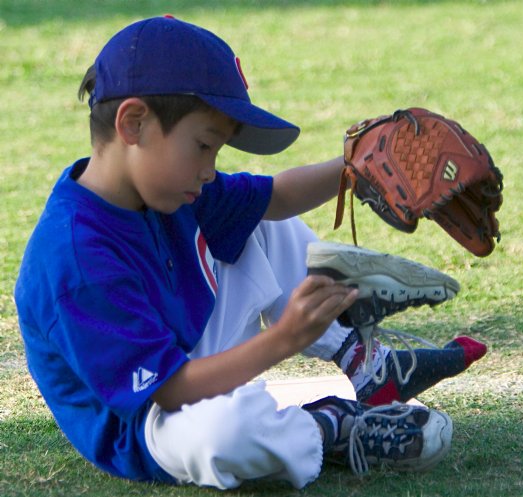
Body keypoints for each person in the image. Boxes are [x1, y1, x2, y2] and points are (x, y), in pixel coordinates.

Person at [14, 16, 487, 490]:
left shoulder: (164, 187)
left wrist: (352, 168)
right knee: (225, 433)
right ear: (133, 123)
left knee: (257, 222)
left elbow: (276, 196)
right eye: (203, 146)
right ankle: (330, 427)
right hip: (153, 427)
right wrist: (284, 337)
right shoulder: (76, 260)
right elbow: (172, 390)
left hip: (193, 355)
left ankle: (367, 362)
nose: (209, 170)